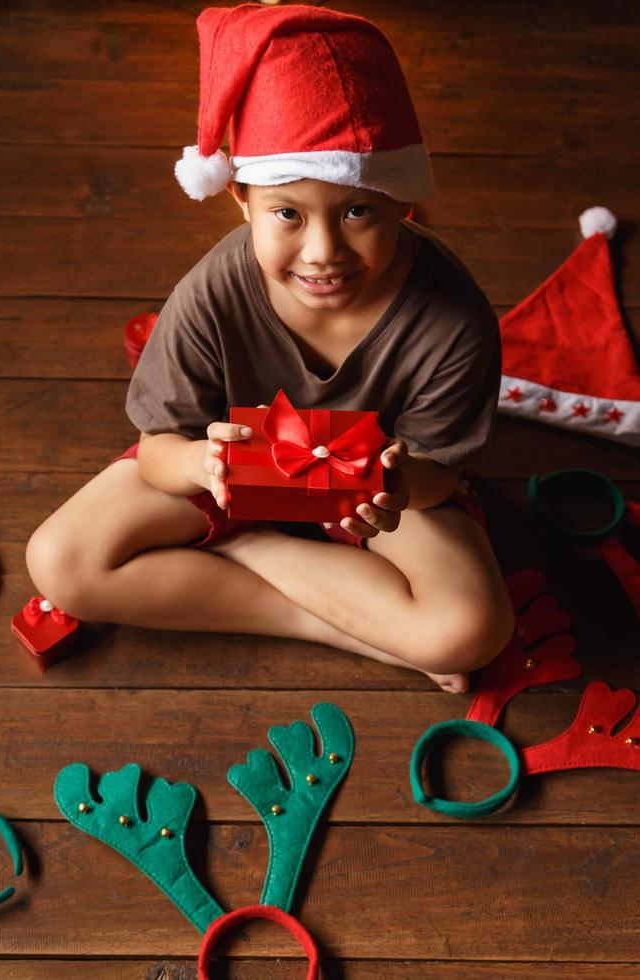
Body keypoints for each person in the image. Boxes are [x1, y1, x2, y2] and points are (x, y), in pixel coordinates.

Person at [26, 3, 515, 693]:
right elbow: (162, 450)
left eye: (357, 211)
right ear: (242, 199)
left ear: (401, 202)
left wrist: (401, 487)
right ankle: (334, 621)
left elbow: (439, 471)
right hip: (231, 480)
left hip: (369, 500)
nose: (323, 253)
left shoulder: (452, 319)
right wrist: (205, 464)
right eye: (288, 213)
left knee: (473, 630)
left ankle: (255, 551)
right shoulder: (212, 293)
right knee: (60, 561)